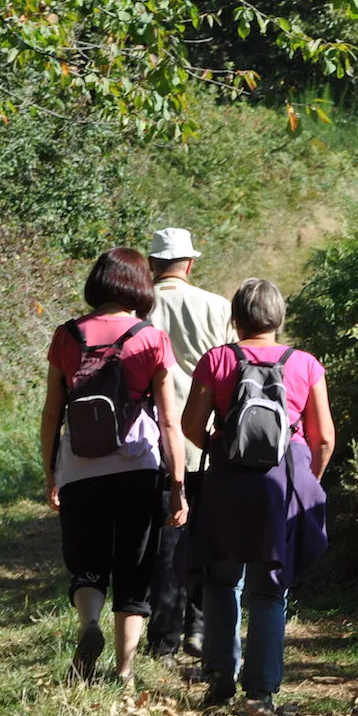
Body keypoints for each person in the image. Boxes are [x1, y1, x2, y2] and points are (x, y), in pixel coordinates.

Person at [181, 278, 335, 716]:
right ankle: (260, 694)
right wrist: (307, 480)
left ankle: (219, 679)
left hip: (228, 481)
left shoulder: (218, 359)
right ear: (280, 319)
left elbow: (192, 425)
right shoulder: (305, 363)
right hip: (281, 483)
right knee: (270, 592)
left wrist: (218, 444)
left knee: (221, 580)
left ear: (236, 319)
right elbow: (323, 438)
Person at [40, 248, 189, 687]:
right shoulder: (150, 338)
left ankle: (89, 625)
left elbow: (52, 412)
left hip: (80, 468)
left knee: (87, 562)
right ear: (139, 285)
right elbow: (169, 420)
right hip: (138, 468)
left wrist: (51, 473)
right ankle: (123, 672)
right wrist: (178, 483)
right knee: (134, 567)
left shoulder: (66, 336)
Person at [144, 227, 235, 661]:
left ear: (151, 265)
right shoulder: (218, 307)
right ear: (191, 264)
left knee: (165, 542)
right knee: (207, 535)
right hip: (206, 439)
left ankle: (163, 638)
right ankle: (199, 628)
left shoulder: (139, 307)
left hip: (155, 443)